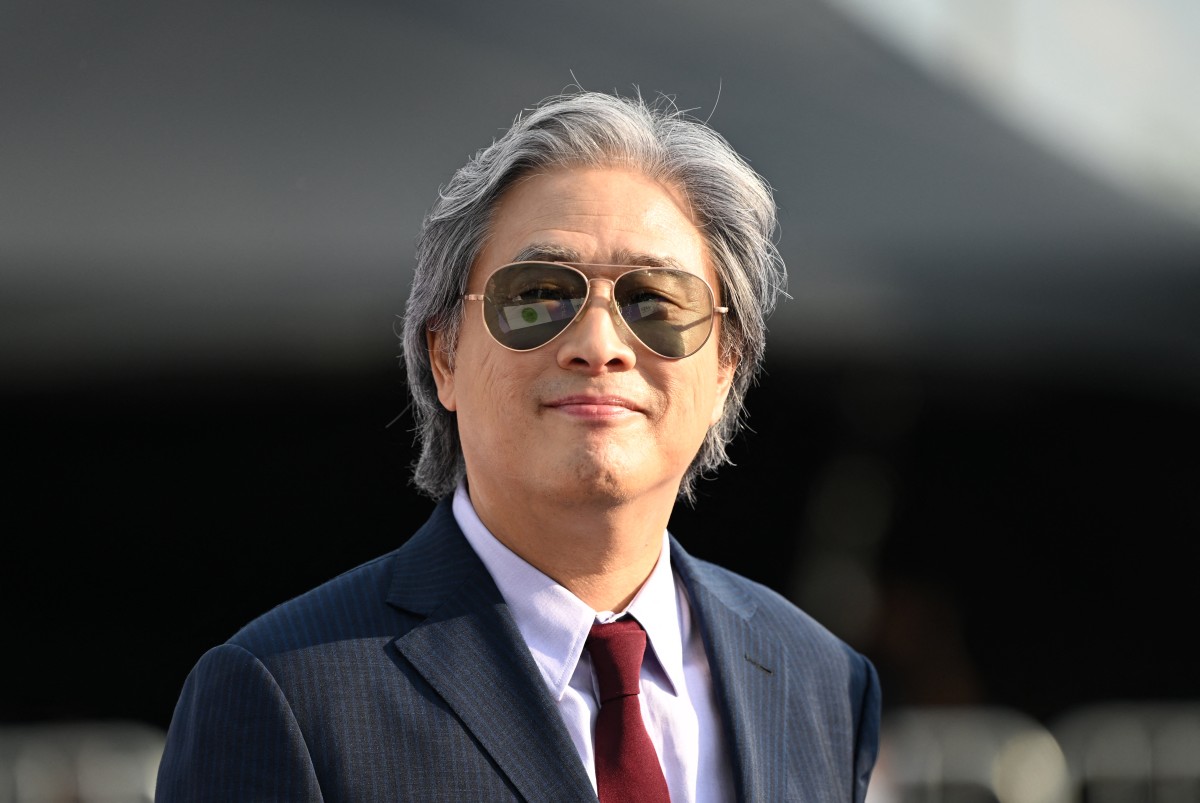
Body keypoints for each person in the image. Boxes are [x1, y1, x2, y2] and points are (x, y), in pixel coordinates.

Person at [156, 88, 881, 802]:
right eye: (538, 295)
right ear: (443, 355)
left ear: (726, 364)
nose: (599, 346)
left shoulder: (820, 681)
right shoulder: (287, 692)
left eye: (655, 300)